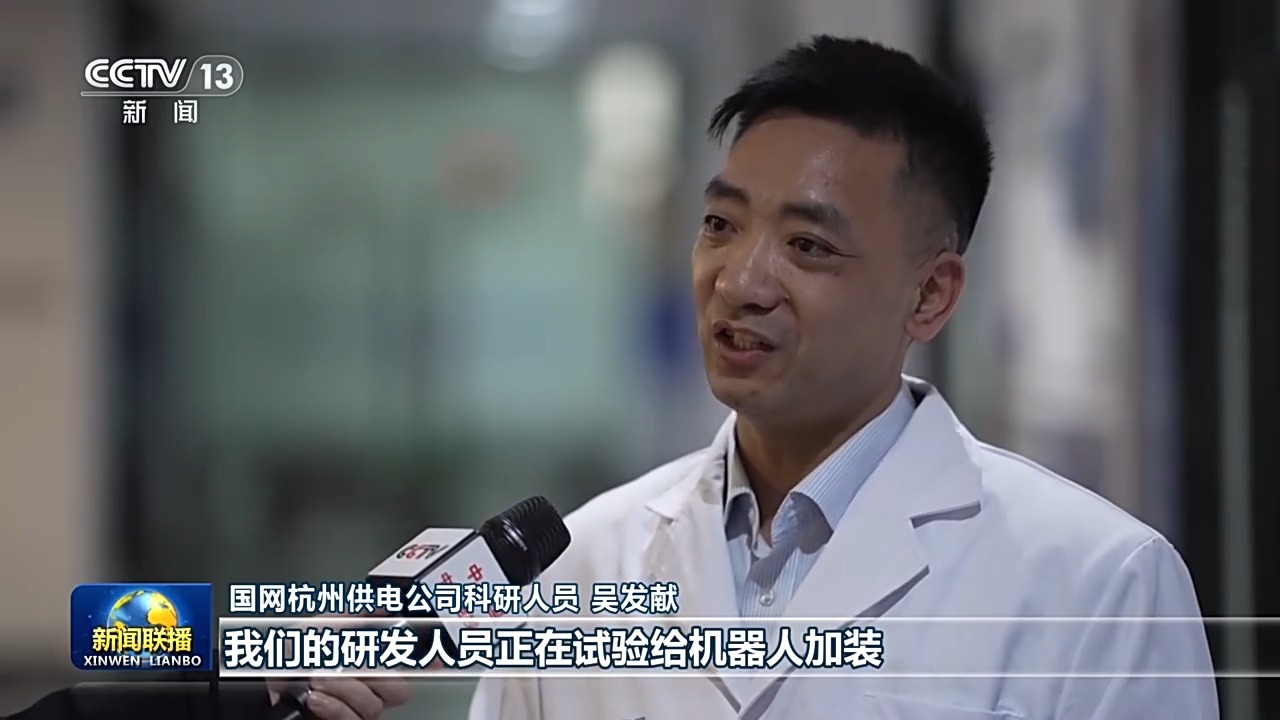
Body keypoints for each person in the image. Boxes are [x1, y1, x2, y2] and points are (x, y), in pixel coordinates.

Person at [467, 35, 1219, 719]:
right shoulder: (579, 568)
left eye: (808, 245)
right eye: (721, 226)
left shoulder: (1099, 588)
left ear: (930, 295)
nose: (740, 282)